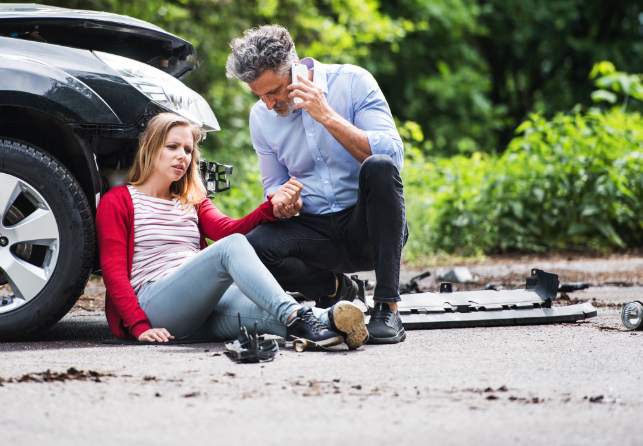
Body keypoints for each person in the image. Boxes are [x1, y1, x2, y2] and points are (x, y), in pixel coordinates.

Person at [96, 112, 368, 349]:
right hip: (156, 306)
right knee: (232, 249)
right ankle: (300, 319)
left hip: (198, 308)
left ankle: (331, 322)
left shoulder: (192, 200)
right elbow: (114, 272)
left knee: (266, 306)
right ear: (151, 148)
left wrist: (270, 209)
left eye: (188, 150)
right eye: (173, 147)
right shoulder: (119, 201)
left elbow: (227, 230)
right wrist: (139, 325)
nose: (182, 156)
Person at [225, 25, 409, 344]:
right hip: (315, 233)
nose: (269, 104)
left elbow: (392, 156)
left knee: (378, 166)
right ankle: (333, 288)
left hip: (367, 227)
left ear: (297, 73)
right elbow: (273, 186)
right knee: (251, 246)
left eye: (274, 92)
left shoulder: (353, 81)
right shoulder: (261, 118)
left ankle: (387, 308)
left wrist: (326, 116)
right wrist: (282, 202)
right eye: (260, 96)